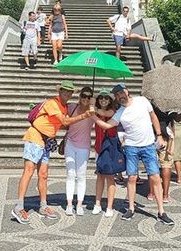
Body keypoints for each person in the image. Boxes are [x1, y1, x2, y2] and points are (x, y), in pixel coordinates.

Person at [12, 81, 94, 224]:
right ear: (59, 91)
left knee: (43, 175)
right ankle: (19, 207)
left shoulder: (64, 107)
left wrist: (90, 106)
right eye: (65, 91)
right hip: (35, 137)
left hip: (46, 141)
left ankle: (43, 206)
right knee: (29, 171)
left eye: (70, 92)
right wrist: (83, 115)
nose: (67, 94)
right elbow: (65, 122)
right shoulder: (52, 103)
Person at [92, 84, 174, 225]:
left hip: (148, 145)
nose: (120, 96)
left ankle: (161, 211)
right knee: (131, 178)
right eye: (117, 95)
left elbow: (153, 117)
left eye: (121, 93)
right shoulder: (120, 112)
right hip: (131, 147)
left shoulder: (142, 100)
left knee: (155, 177)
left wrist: (159, 135)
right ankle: (130, 208)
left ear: (127, 91)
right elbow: (106, 124)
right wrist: (92, 114)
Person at [64, 86, 95, 216]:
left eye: (89, 97)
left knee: (81, 176)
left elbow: (108, 113)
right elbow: (64, 121)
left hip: (84, 146)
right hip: (70, 144)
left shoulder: (93, 111)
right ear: (79, 96)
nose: (86, 99)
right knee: (71, 174)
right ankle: (70, 204)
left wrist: (93, 105)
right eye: (84, 96)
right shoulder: (72, 107)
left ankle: (79, 204)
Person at [92, 89, 118, 217]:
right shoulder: (96, 112)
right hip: (98, 148)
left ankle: (109, 206)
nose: (103, 100)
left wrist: (93, 110)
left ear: (110, 100)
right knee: (100, 176)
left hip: (110, 148)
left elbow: (105, 113)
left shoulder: (113, 111)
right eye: (101, 97)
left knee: (110, 177)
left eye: (106, 98)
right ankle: (97, 204)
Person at [148, 104, 176, 203]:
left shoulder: (151, 104)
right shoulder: (171, 104)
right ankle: (165, 195)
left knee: (152, 164)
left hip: (152, 135)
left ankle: (151, 193)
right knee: (166, 165)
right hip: (166, 136)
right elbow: (173, 123)